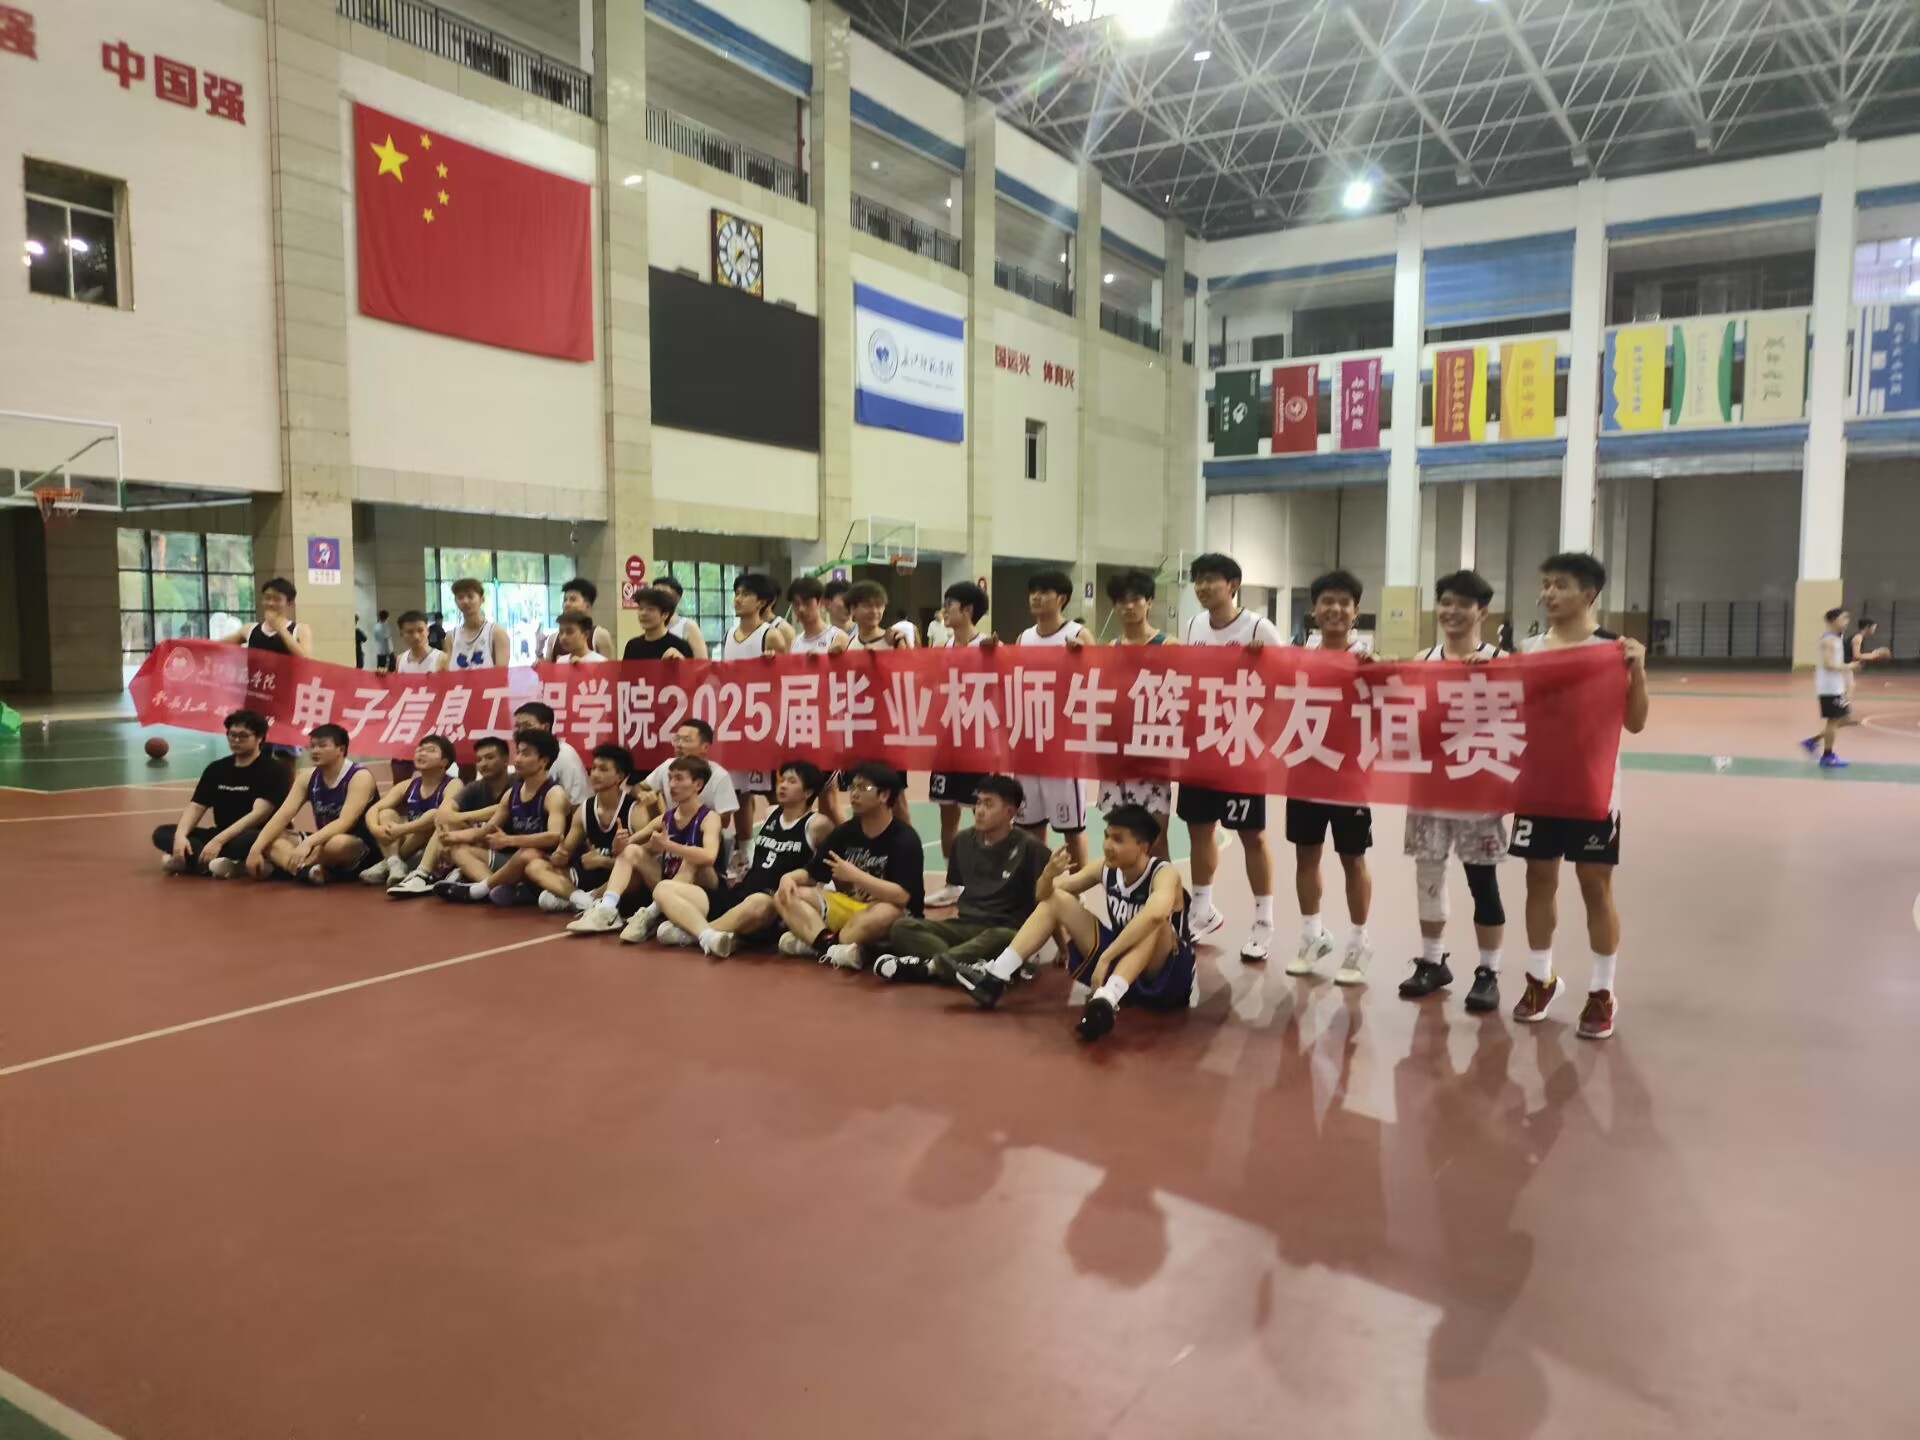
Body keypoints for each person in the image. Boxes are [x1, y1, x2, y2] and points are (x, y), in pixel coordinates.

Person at [1509, 551, 1648, 1040]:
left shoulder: (1614, 648)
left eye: (1560, 585)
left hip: (1593, 790)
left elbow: (1636, 722)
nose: (1548, 593)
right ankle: (1540, 979)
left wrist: (1638, 672)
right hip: (1538, 787)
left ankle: (1602, 990)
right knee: (1538, 879)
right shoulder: (1528, 649)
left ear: (1588, 593)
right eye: (1545, 584)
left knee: (1594, 885)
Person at [951, 804, 1194, 1042]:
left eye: (1118, 839)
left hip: (1167, 976)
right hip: (1123, 965)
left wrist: (1106, 957)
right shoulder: (1105, 869)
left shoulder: (1164, 874)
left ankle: (1108, 999)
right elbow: (1043, 896)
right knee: (1056, 899)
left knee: (1154, 923)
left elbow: (1154, 916)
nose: (1108, 845)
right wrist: (1048, 875)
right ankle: (995, 977)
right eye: (1107, 836)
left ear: (1144, 846)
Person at [1396, 571, 1507, 1013]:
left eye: (1463, 604)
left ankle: (1489, 971)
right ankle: (1432, 960)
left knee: (1483, 882)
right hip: (1429, 789)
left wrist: (1493, 682)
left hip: (1478, 794)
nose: (1452, 611)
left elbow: (1523, 722)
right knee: (1428, 876)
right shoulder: (1423, 659)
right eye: (1445, 602)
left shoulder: (1501, 661)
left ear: (1482, 612)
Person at [1177, 552, 1282, 962]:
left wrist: (1263, 664)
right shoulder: (1192, 626)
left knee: (1252, 834)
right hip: (1201, 745)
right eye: (1198, 580)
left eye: (1212, 580)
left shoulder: (1258, 628)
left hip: (1242, 746)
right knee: (1199, 829)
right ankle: (1202, 910)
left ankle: (1263, 921)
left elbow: (1288, 679)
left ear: (1232, 585)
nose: (1203, 587)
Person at [1283, 569, 1378, 984]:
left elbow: (1395, 711)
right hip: (1305, 772)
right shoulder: (1297, 658)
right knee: (1306, 855)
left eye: (1344, 602)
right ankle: (1312, 935)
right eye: (1327, 601)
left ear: (1355, 613)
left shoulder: (1368, 662)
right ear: (1314, 610)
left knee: (1352, 859)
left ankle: (1358, 943)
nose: (1335, 609)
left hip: (1349, 779)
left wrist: (1381, 677)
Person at [649, 759, 834, 954]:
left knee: (759, 903)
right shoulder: (771, 813)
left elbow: (828, 865)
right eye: (782, 780)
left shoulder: (818, 825)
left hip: (772, 904)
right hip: (740, 893)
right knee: (664, 888)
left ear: (808, 792)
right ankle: (708, 934)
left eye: (792, 781)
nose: (783, 785)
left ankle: (694, 933)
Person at [874, 775, 1046, 983]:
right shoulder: (963, 841)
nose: (979, 810)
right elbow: (959, 884)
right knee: (902, 927)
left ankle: (933, 966)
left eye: (988, 804)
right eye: (978, 803)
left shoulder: (1030, 848)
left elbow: (1045, 903)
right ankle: (961, 967)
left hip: (1003, 930)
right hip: (964, 925)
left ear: (1009, 812)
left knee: (1002, 937)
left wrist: (1055, 948)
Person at [770, 760, 924, 969]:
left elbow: (901, 896)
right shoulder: (845, 832)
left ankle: (816, 942)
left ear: (884, 795)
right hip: (849, 907)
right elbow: (813, 873)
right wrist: (788, 878)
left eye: (863, 788)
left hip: (886, 912)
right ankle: (829, 945)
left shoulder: (904, 839)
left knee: (885, 912)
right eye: (852, 787)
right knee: (786, 895)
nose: (854, 794)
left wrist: (855, 876)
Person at [568, 757, 723, 939]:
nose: (672, 785)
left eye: (679, 778)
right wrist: (618, 844)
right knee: (632, 851)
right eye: (670, 778)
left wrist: (669, 845)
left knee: (692, 860)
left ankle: (650, 914)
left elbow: (709, 856)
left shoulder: (709, 818)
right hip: (665, 888)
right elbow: (626, 848)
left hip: (702, 892)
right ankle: (607, 910)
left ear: (698, 784)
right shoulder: (666, 818)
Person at [434, 728, 570, 905]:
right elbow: (485, 831)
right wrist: (451, 837)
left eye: (525, 754)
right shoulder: (511, 794)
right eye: (518, 752)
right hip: (514, 862)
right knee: (460, 850)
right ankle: (495, 890)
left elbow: (554, 837)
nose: (518, 759)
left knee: (527, 854)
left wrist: (509, 840)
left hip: (546, 863)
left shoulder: (554, 794)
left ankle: (484, 889)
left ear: (543, 761)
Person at [1095, 568, 1175, 860]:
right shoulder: (1110, 650)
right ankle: (1124, 891)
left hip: (1152, 754)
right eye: (1121, 600)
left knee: (1155, 839)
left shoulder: (1169, 646)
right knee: (1118, 838)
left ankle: (1166, 891)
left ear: (1149, 601)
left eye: (1136, 599)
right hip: (1117, 756)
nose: (1129, 606)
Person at [1011, 569, 1089, 867]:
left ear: (1062, 598)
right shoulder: (1023, 638)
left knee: (1071, 830)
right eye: (1033, 592)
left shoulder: (1078, 635)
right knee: (1030, 827)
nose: (1036, 597)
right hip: (1029, 743)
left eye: (1044, 592)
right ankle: (1039, 886)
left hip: (1062, 747)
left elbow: (1098, 680)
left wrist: (1083, 659)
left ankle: (1078, 890)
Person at [153, 709, 289, 878]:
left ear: (259, 737)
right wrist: (180, 837)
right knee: (163, 832)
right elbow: (196, 807)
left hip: (249, 834)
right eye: (232, 735)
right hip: (221, 832)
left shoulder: (273, 770)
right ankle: (215, 863)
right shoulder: (216, 769)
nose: (236, 740)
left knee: (256, 838)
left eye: (243, 736)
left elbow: (258, 815)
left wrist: (218, 841)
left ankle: (195, 862)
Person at [924, 580, 993, 905]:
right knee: (947, 814)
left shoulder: (989, 647)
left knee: (984, 814)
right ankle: (954, 882)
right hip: (947, 742)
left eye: (949, 604)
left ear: (967, 610)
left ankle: (984, 881)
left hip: (977, 744)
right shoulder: (943, 649)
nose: (944, 610)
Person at [719, 572, 791, 879]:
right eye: (736, 593)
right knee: (739, 792)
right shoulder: (727, 635)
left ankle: (785, 843)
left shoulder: (770, 636)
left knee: (774, 791)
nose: (738, 599)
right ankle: (746, 850)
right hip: (737, 723)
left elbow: (790, 679)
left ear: (761, 602)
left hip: (764, 725)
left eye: (745, 594)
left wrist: (774, 666)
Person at [247, 723, 379, 883]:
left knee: (336, 844)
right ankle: (307, 871)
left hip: (356, 844)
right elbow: (283, 815)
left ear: (341, 749)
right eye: (312, 746)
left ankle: (291, 867)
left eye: (322, 746)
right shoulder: (307, 777)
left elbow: (345, 822)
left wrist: (309, 843)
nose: (315, 751)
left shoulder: (359, 777)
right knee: (272, 837)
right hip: (321, 841)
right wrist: (256, 849)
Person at [387, 735, 513, 896]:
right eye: (479, 759)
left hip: (516, 852)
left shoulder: (518, 783)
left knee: (454, 828)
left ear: (505, 760)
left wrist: (461, 818)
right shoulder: (474, 787)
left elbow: (503, 808)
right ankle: (492, 889)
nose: (483, 763)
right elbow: (444, 813)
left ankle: (472, 881)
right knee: (452, 838)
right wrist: (447, 836)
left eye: (490, 758)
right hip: (488, 850)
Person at [527, 743, 637, 914]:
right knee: (534, 867)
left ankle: (591, 900)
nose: (595, 774)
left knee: (635, 875)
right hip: (588, 876)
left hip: (617, 880)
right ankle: (583, 900)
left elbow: (643, 863)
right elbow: (565, 852)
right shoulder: (585, 809)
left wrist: (603, 861)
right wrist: (559, 856)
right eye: (593, 768)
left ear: (619, 776)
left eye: (603, 769)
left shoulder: (634, 810)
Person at [360, 735, 457, 887]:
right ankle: (394, 863)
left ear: (444, 762)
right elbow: (375, 809)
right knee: (386, 813)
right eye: (420, 750)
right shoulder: (407, 785)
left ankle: (390, 862)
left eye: (430, 751)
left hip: (434, 850)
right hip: (411, 845)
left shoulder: (453, 784)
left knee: (433, 815)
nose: (422, 753)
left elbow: (442, 816)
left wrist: (401, 829)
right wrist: (375, 829)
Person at [513, 700, 590, 809]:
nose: (521, 731)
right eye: (517, 726)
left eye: (527, 725)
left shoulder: (565, 755)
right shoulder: (521, 757)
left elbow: (578, 803)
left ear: (546, 727)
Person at [222, 577, 313, 659]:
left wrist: (280, 629)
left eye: (277, 599)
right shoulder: (250, 629)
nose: (271, 603)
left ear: (289, 603)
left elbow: (306, 660)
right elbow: (220, 645)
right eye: (267, 598)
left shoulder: (300, 630)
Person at [540, 579, 615, 661]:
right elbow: (548, 667)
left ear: (587, 605)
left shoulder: (600, 635)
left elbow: (610, 667)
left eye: (573, 600)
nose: (567, 604)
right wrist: (539, 653)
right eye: (565, 600)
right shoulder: (553, 639)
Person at [443, 577, 510, 669]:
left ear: (482, 599)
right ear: (455, 601)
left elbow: (501, 673)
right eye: (460, 597)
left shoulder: (497, 633)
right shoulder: (451, 637)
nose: (465, 601)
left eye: (470, 596)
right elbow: (447, 672)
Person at [621, 588, 695, 661]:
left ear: (665, 615)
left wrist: (682, 662)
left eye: (650, 609)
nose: (643, 613)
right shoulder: (632, 646)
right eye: (641, 609)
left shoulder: (680, 646)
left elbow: (691, 668)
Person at [788, 575, 850, 655]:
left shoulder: (837, 637)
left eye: (807, 603)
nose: (801, 609)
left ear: (820, 602)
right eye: (796, 604)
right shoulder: (795, 643)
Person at [654, 576, 710, 659]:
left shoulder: (688, 626)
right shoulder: (650, 626)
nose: (657, 598)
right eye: (654, 594)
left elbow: (703, 662)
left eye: (663, 594)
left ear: (677, 599)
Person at [392, 610, 448, 675]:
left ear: (428, 631)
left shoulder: (442, 658)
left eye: (420, 630)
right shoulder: (400, 659)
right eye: (410, 632)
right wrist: (383, 676)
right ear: (402, 634)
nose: (416, 637)